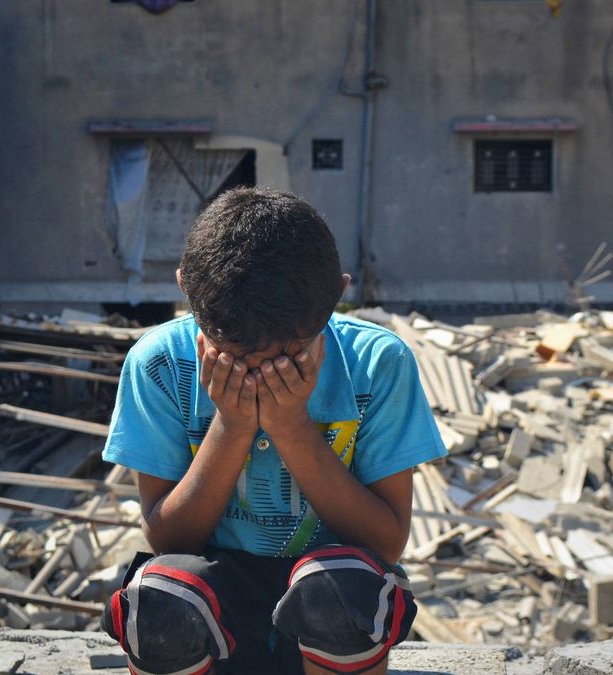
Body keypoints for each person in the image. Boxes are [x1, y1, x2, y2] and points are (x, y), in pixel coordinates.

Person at [101, 188, 447, 674]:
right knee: (158, 598)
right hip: (216, 608)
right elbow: (169, 541)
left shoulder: (376, 363)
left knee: (344, 589)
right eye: (234, 357)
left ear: (336, 297)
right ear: (186, 290)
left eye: (289, 355)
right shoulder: (160, 363)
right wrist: (231, 425)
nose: (261, 374)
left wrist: (292, 427)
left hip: (328, 602)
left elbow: (385, 544)